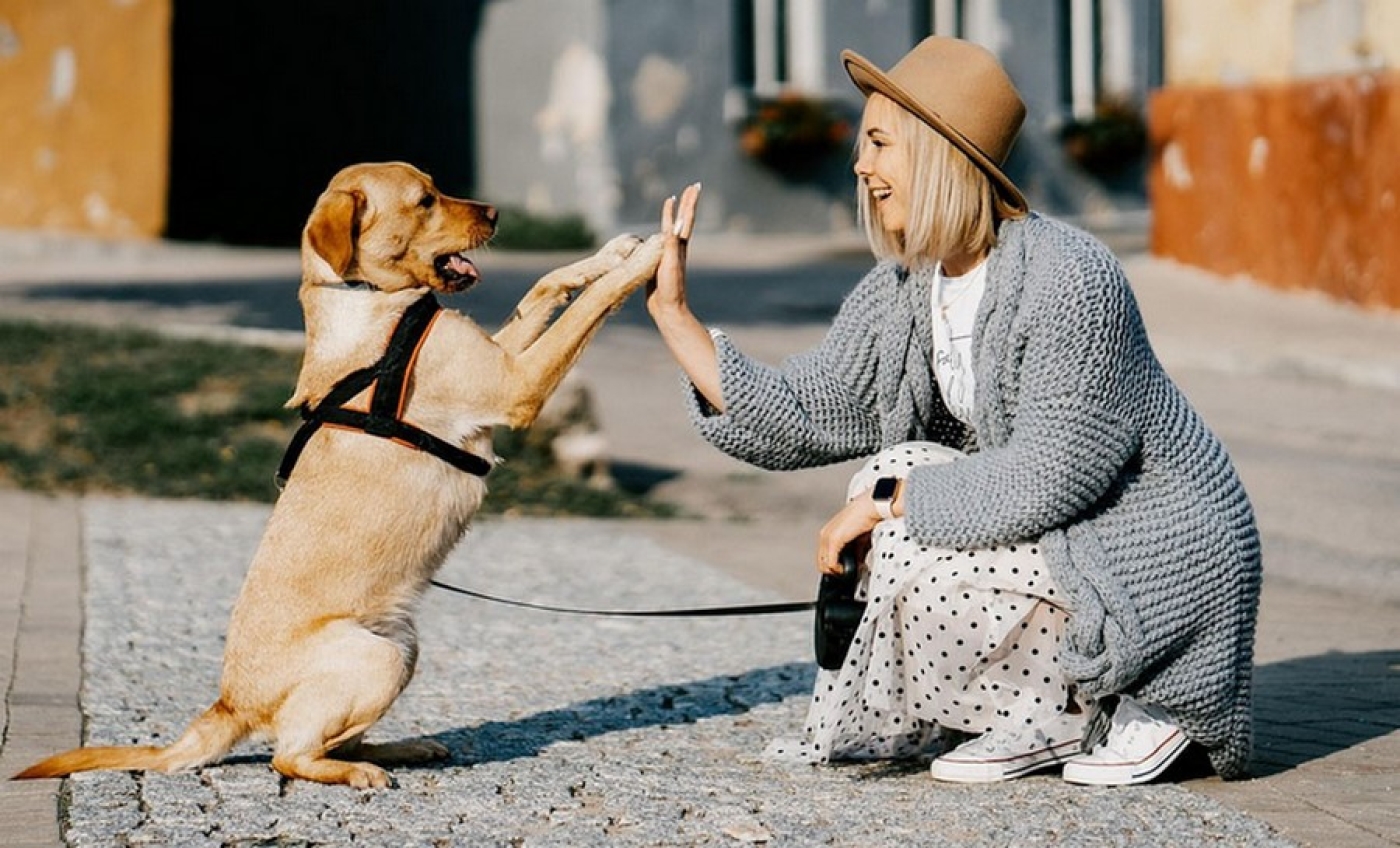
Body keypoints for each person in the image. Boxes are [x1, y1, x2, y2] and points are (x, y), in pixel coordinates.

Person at [646, 36, 1261, 785]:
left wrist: (887, 503)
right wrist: (675, 316)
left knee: (896, 501)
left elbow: (1050, 475)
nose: (860, 165)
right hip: (1062, 537)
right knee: (893, 474)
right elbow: (807, 409)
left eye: (880, 143)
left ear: (940, 152)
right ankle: (1037, 712)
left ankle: (1127, 699)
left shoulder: (1071, 277)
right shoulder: (907, 287)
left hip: (1155, 553)